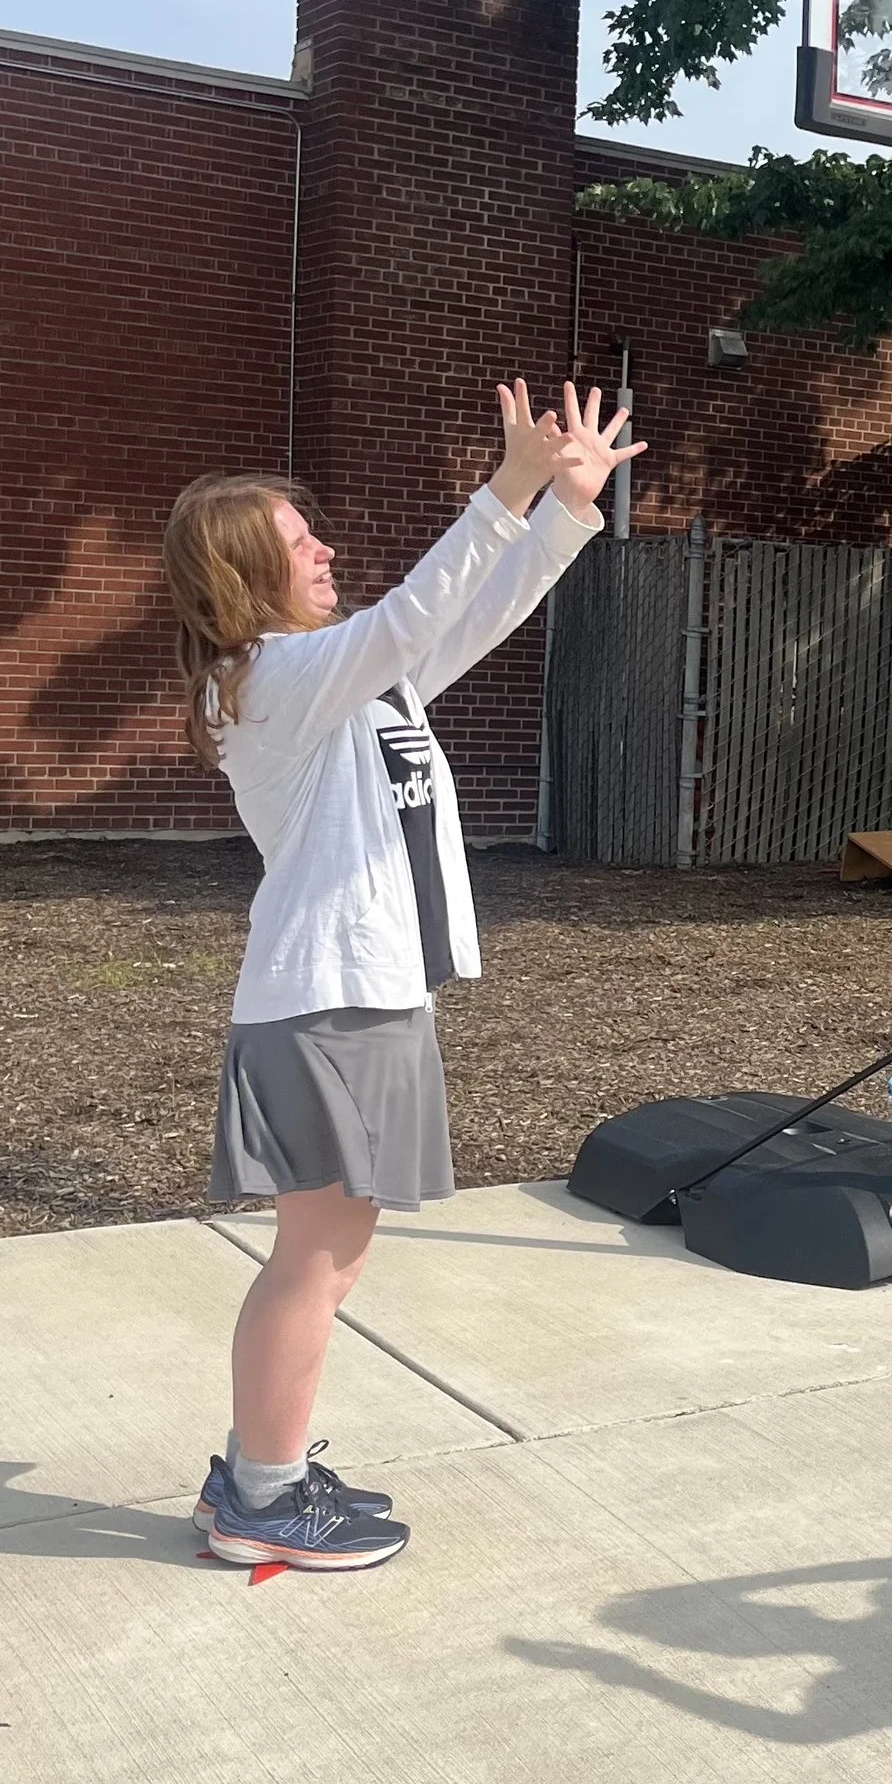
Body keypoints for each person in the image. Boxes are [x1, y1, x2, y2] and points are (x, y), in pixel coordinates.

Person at [160, 379, 641, 1571]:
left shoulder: (347, 680)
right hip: (326, 1006)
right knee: (313, 1258)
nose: (323, 547)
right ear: (239, 576)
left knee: (337, 1253)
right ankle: (259, 1499)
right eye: (295, 541)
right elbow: (412, 612)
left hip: (365, 997)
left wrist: (565, 511)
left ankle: (263, 1467)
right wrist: (507, 486)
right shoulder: (273, 679)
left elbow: (457, 619)